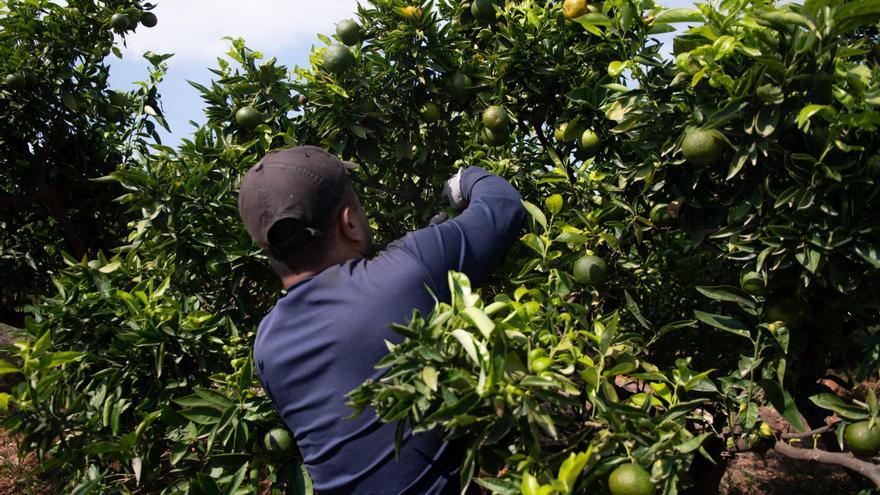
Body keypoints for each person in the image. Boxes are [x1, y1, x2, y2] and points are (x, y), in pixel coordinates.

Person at [237, 145, 525, 494]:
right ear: (350, 223)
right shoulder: (408, 269)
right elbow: (503, 205)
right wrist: (465, 180)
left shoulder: (266, 346)